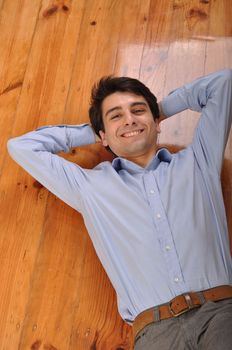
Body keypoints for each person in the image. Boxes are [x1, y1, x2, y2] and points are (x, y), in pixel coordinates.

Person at [7, 69, 232, 349]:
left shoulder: (199, 160)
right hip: (155, 335)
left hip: (221, 317)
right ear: (102, 136)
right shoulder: (89, 187)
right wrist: (97, 130)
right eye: (116, 115)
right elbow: (21, 147)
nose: (129, 119)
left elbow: (224, 83)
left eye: (138, 110)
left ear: (157, 122)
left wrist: (158, 110)